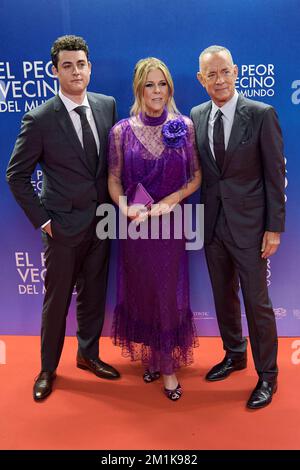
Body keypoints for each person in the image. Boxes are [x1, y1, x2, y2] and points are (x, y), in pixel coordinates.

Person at [6, 35, 120, 402]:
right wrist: (44, 221)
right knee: (56, 302)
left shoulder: (107, 106)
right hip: (61, 227)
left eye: (81, 64)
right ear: (55, 71)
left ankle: (88, 355)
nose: (76, 71)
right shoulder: (39, 119)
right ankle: (48, 369)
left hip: (101, 223)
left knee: (94, 296)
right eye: (67, 65)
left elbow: (112, 166)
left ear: (90, 67)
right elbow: (16, 175)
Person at [191, 45, 285, 409]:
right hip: (212, 224)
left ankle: (268, 376)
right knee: (223, 296)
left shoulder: (261, 115)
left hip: (249, 227)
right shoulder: (196, 115)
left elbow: (275, 175)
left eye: (225, 71)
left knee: (257, 303)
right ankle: (235, 354)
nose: (220, 80)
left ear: (236, 72)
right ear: (201, 80)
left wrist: (273, 227)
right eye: (211, 74)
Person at [108, 57, 201, 401]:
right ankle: (152, 356)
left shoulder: (185, 127)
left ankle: (167, 367)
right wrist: (123, 207)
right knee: (142, 291)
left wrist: (172, 199)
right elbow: (113, 179)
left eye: (162, 84)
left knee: (167, 292)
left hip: (171, 226)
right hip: (135, 229)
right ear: (139, 89)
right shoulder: (120, 131)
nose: (157, 91)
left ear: (170, 88)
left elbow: (196, 177)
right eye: (150, 84)